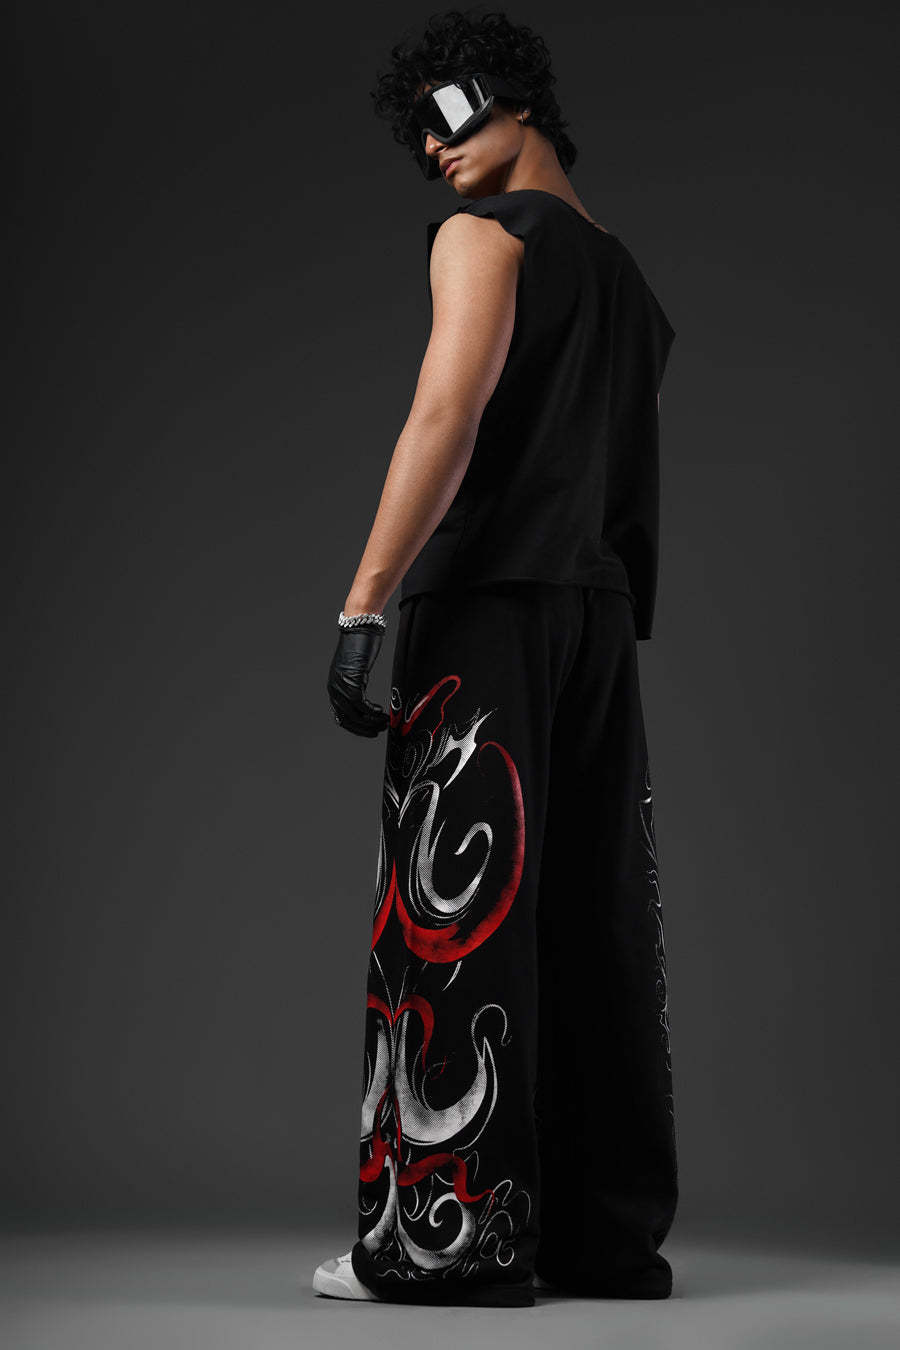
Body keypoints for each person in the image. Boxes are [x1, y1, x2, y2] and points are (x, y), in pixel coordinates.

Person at [318, 9, 678, 1307]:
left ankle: (446, 1248)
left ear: (510, 93)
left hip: (485, 610)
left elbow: (446, 413)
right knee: (595, 915)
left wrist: (366, 607)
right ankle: (604, 1241)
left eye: (445, 112)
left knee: (451, 917)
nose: (432, 147)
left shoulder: (485, 236)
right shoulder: (629, 282)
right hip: (598, 624)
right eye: (416, 132)